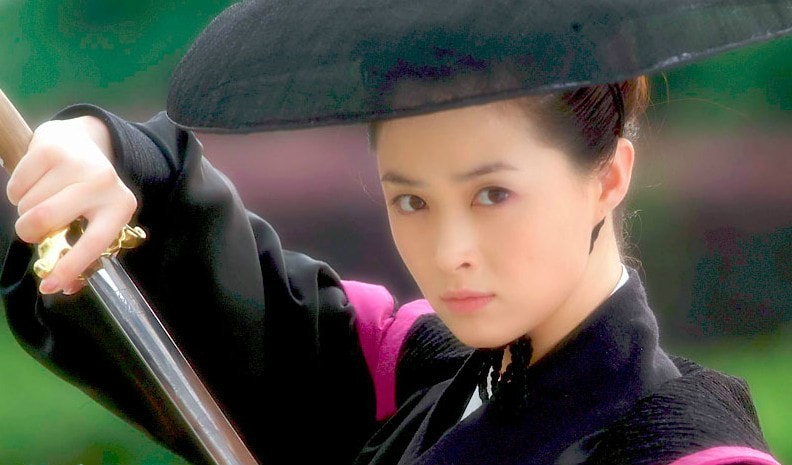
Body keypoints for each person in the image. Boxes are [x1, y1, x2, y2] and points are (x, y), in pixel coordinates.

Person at [1, 1, 789, 465]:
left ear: (608, 177)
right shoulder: (407, 370)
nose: (450, 252)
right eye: (411, 201)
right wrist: (101, 152)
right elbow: (200, 279)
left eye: (492, 194)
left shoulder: (686, 451)